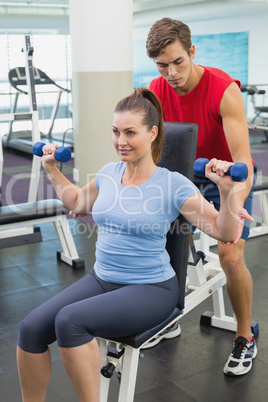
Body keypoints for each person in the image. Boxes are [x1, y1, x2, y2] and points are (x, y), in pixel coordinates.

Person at [17, 88, 246, 401]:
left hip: (151, 289)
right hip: (102, 279)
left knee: (70, 322)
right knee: (30, 329)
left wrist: (228, 192)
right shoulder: (109, 173)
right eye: (115, 132)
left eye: (130, 132)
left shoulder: (173, 183)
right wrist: (51, 169)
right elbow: (77, 201)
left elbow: (224, 231)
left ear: (152, 133)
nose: (120, 141)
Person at [145, 17, 257, 376]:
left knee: (229, 251)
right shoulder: (155, 90)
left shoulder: (223, 89)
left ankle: (245, 336)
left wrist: (234, 200)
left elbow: (243, 160)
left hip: (226, 179)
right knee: (157, 240)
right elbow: (153, 149)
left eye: (178, 61)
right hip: (183, 177)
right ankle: (167, 317)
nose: (171, 72)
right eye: (162, 65)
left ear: (192, 52)